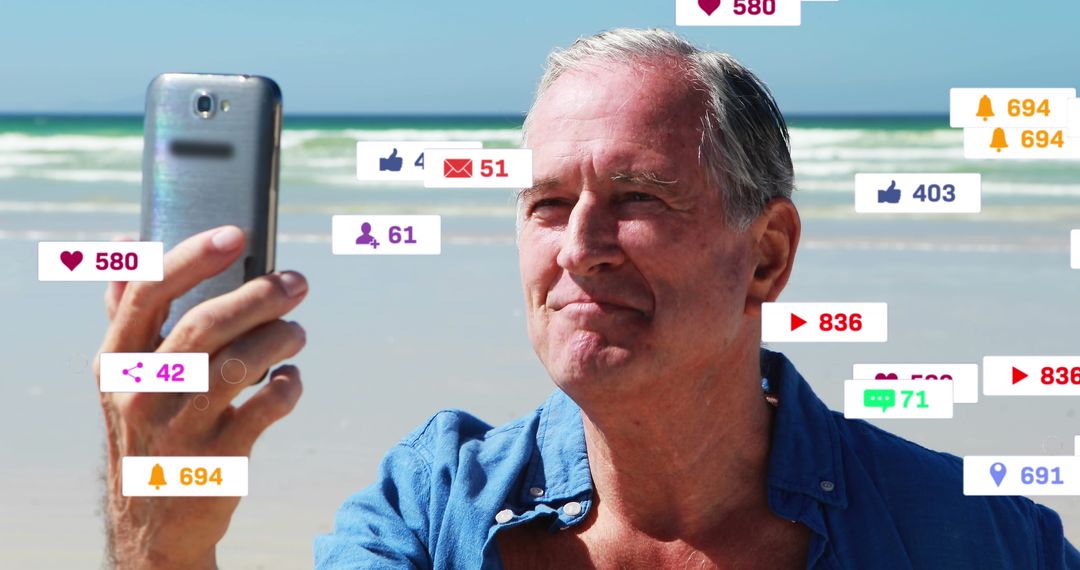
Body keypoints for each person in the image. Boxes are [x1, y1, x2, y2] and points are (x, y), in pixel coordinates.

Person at [97, 28, 1080, 569]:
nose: (577, 249)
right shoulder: (432, 513)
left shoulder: (971, 534)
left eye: (637, 199)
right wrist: (162, 548)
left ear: (769, 255)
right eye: (546, 204)